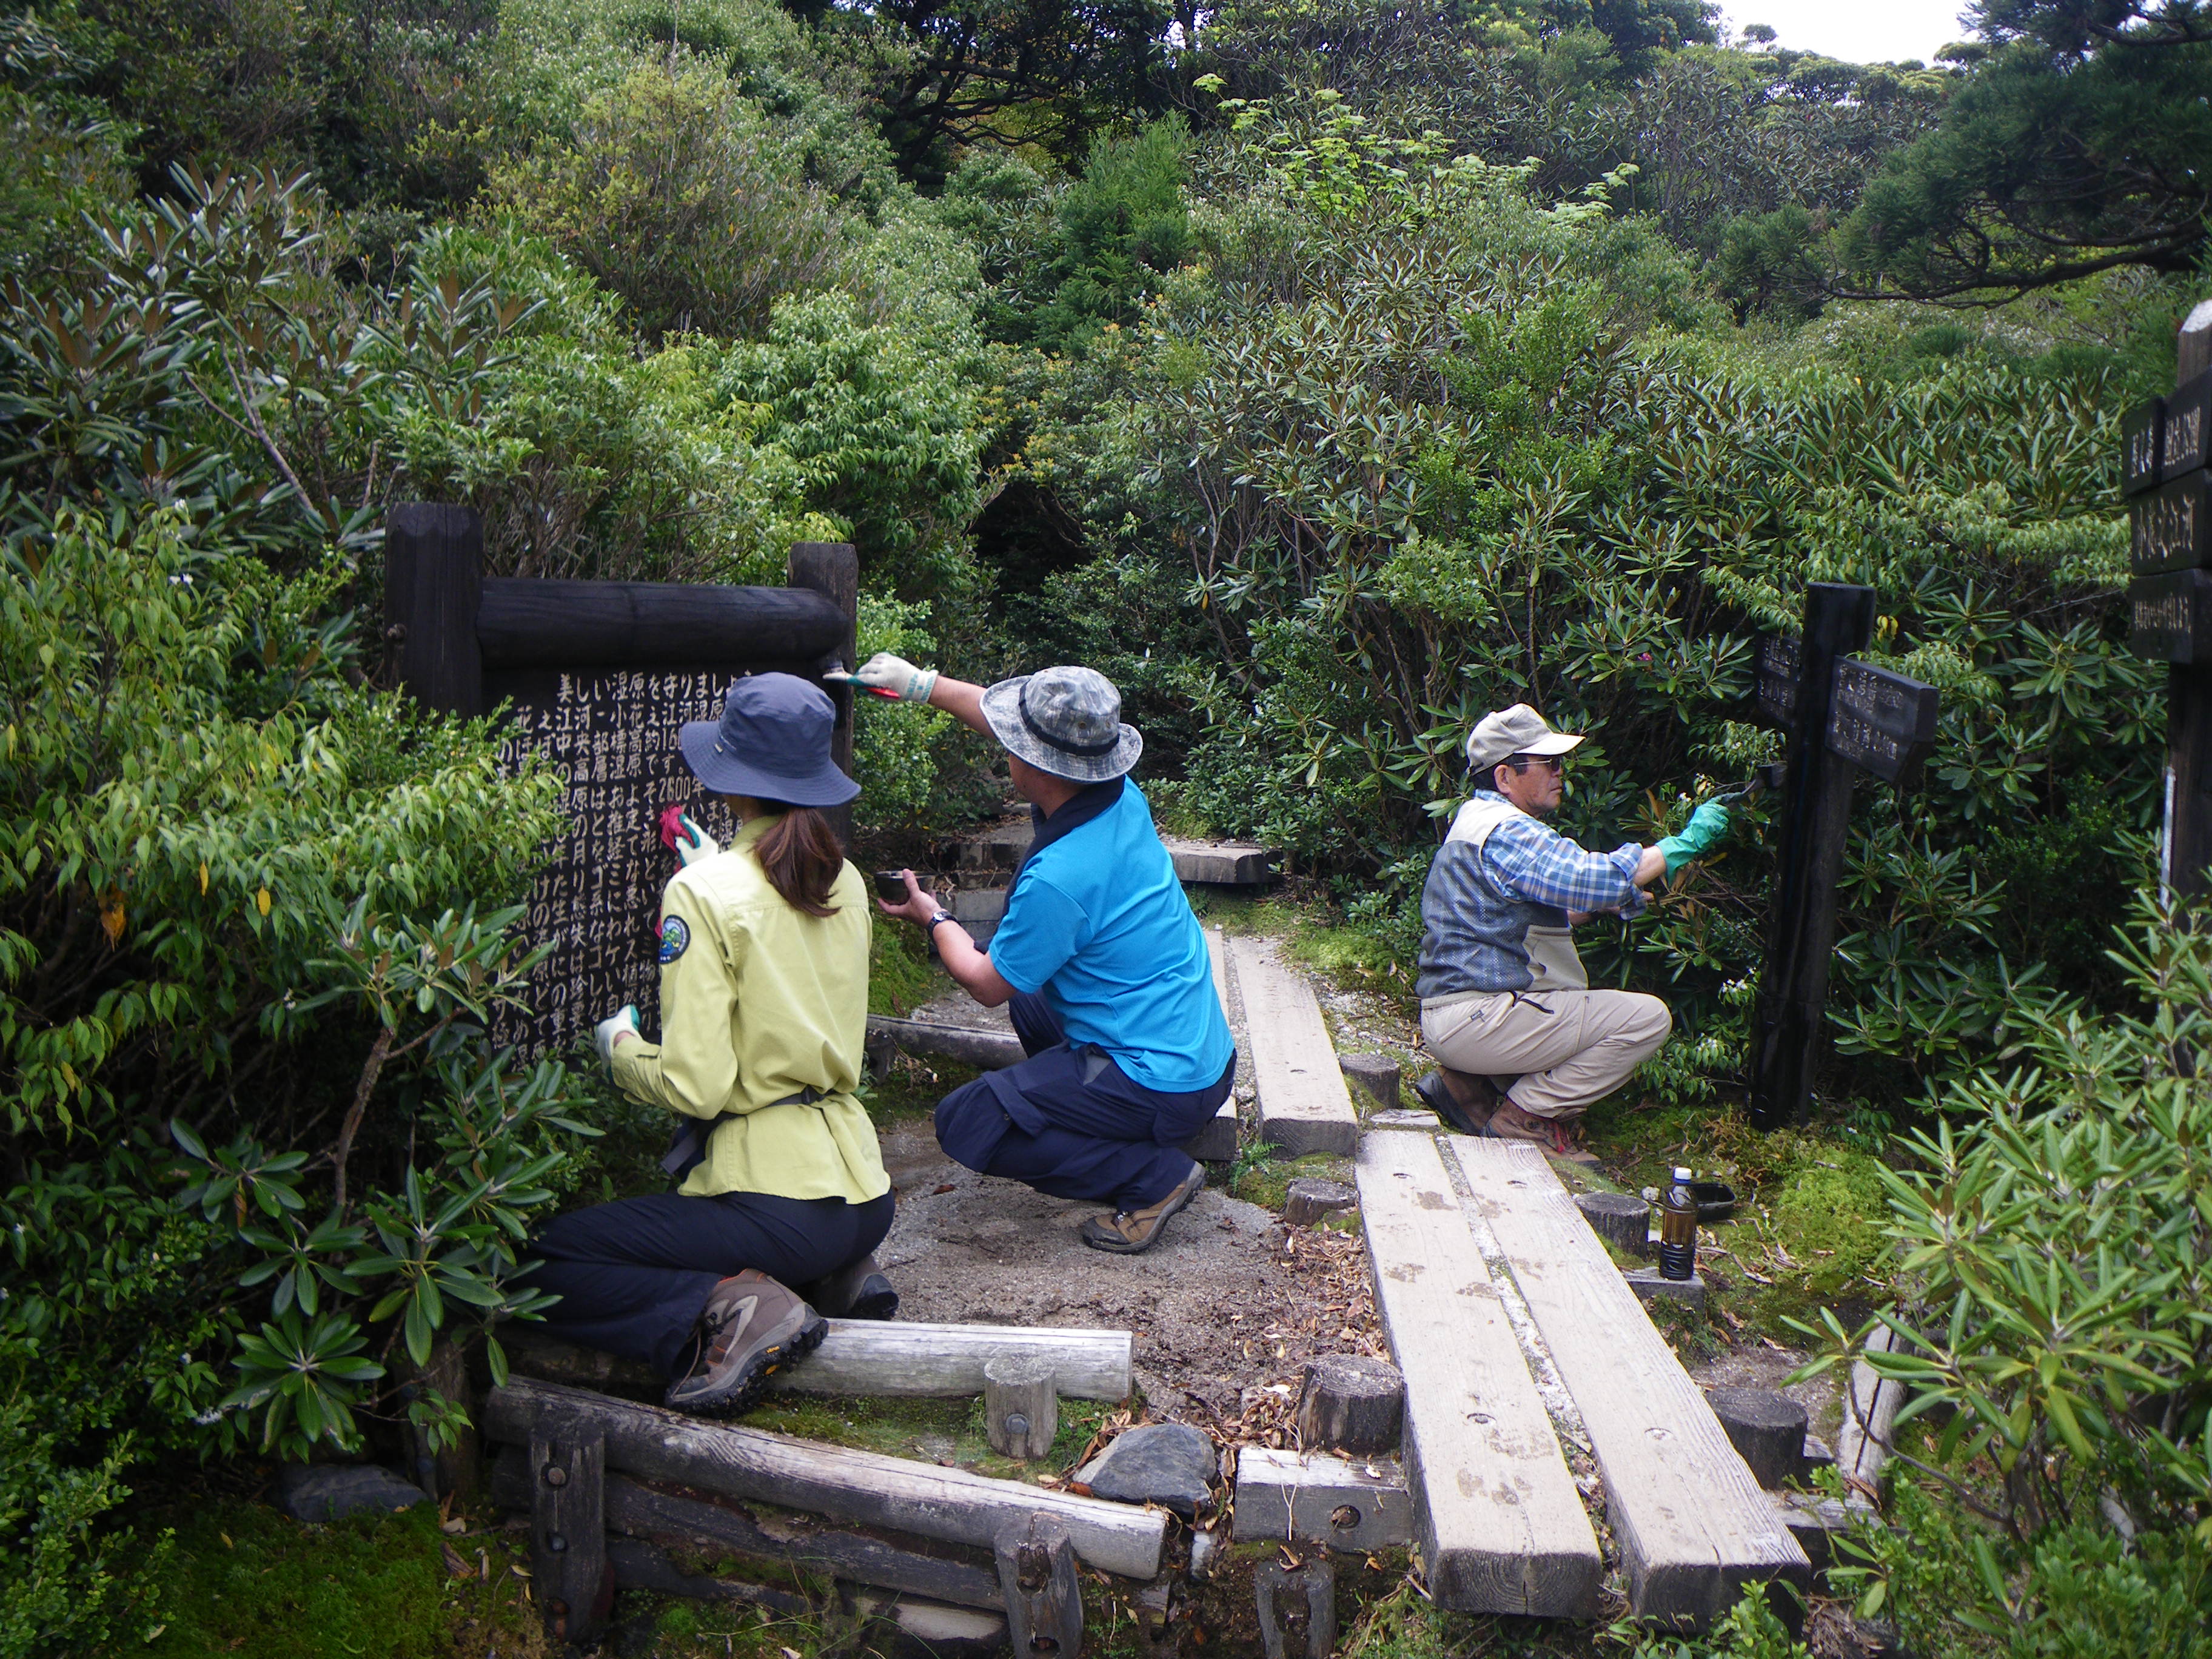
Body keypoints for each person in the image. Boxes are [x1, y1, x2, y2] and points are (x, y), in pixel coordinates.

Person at [523, 674, 895, 1418]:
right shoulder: (844, 878)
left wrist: (619, 1050)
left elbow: (697, 1086)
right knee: (772, 1237)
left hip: (777, 1207)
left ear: (731, 780)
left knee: (540, 1257)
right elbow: (781, 947)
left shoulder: (704, 893)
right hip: (863, 1196)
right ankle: (834, 1275)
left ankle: (732, 1308)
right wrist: (713, 874)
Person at [834, 653, 1235, 1254]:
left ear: (1038, 764)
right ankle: (1099, 1118)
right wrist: (919, 685)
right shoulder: (1120, 796)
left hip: (1158, 1082)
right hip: (1203, 1060)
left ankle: (1154, 1176)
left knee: (968, 1121)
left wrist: (934, 917)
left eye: (1015, 741)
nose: (1005, 744)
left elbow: (984, 982)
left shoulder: (1060, 878)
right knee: (1032, 1002)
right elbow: (1004, 721)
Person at [1411, 703, 1733, 1165]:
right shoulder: (1509, 831)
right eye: (1549, 762)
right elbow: (1594, 877)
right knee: (1646, 1020)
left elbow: (1528, 912)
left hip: (1455, 1018)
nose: (1560, 772)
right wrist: (1684, 844)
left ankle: (1468, 1084)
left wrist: (1604, 905)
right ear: (1505, 777)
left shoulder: (1473, 821)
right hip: (1481, 1018)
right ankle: (1524, 1116)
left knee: (1565, 998)